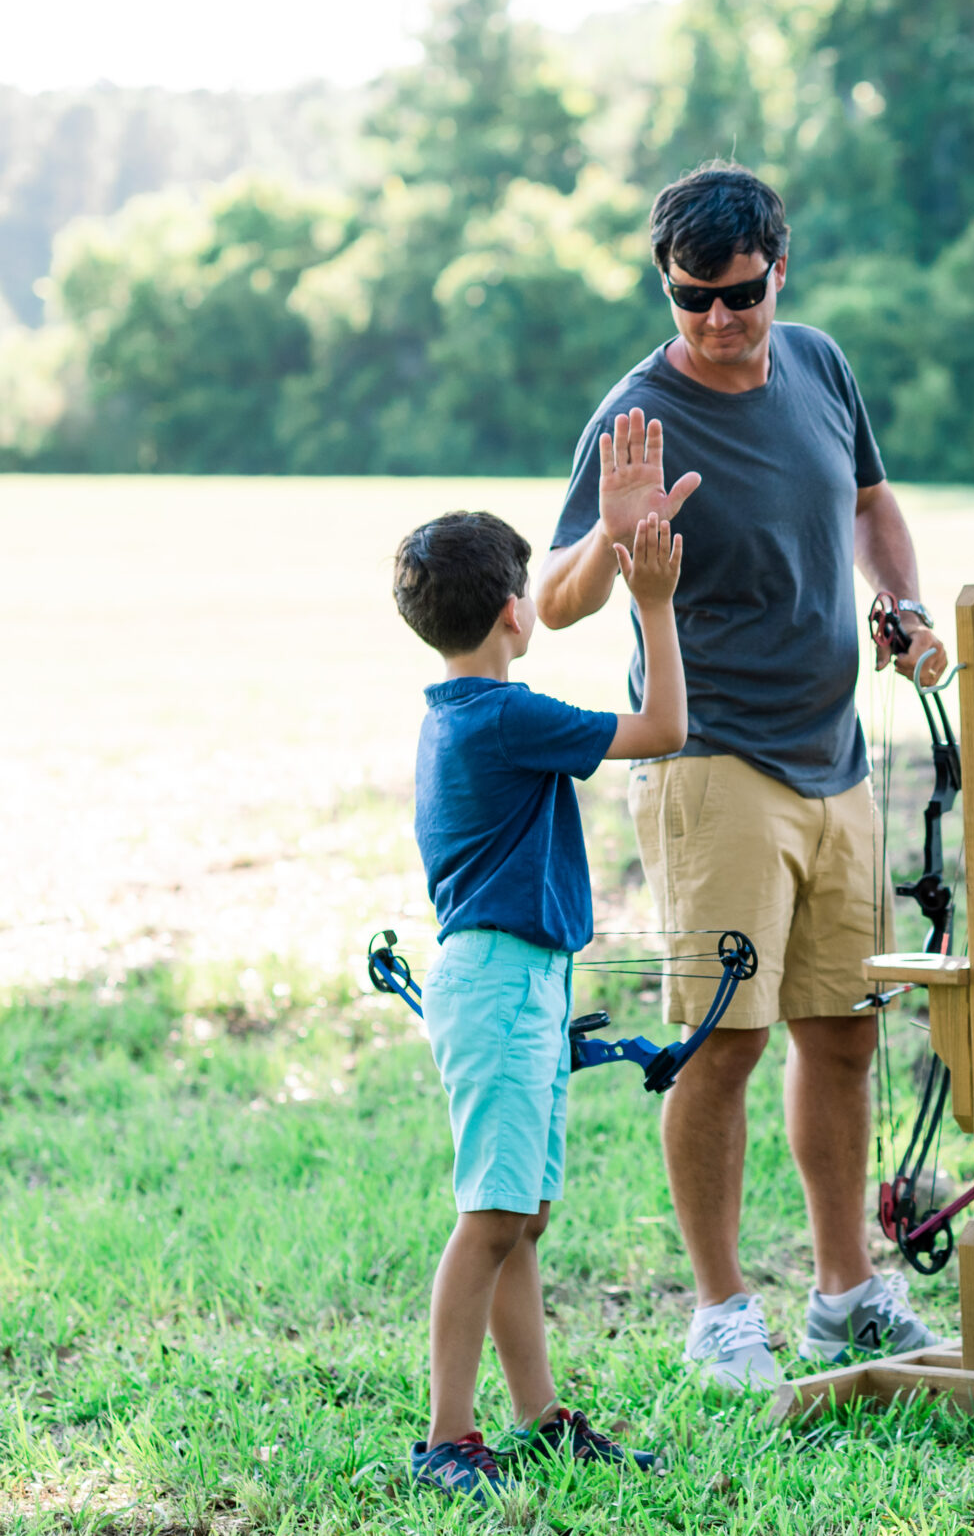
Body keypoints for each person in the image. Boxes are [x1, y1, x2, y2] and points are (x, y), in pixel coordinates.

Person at [534, 162, 947, 1392]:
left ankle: (843, 1293)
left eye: (740, 294)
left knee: (844, 1033)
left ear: (781, 267)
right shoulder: (634, 414)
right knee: (723, 1044)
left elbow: (870, 500)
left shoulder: (819, 364)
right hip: (710, 758)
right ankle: (719, 1311)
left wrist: (903, 602)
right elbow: (551, 604)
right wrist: (616, 530)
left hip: (839, 755)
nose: (716, 321)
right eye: (689, 298)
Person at [394, 508, 683, 1497]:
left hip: (514, 978)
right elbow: (663, 729)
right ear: (518, 612)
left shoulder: (449, 711)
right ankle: (447, 1439)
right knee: (491, 1216)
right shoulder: (506, 716)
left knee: (524, 1212)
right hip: (499, 981)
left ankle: (539, 1417)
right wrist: (652, 602)